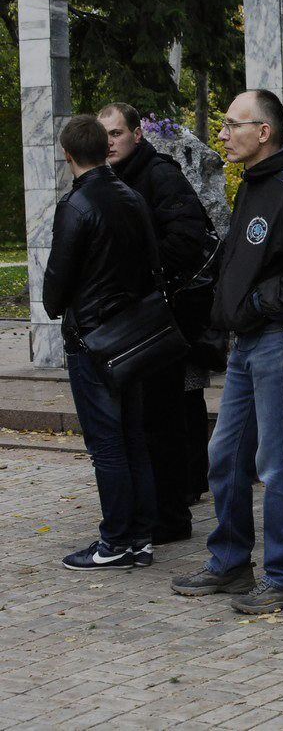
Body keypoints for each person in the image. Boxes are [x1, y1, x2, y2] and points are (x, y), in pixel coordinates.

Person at [170, 90, 283, 614]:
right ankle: (231, 562)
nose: (222, 135)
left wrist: (261, 303)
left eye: (231, 125)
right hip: (247, 344)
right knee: (225, 455)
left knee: (277, 461)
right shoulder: (254, 186)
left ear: (263, 131)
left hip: (281, 340)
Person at [43, 115, 158, 570]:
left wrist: (55, 305)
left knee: (108, 443)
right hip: (132, 331)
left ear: (67, 154)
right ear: (104, 149)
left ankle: (114, 542)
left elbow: (60, 273)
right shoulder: (131, 197)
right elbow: (152, 261)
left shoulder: (77, 206)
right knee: (132, 436)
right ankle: (140, 537)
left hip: (92, 335)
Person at [99, 101, 208, 544]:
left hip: (160, 317)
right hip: (129, 317)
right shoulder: (109, 178)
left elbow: (188, 237)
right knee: (143, 416)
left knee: (162, 415)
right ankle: (153, 507)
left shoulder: (159, 173)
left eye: (117, 133)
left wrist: (141, 276)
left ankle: (170, 514)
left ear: (137, 134)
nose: (109, 142)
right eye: (102, 134)